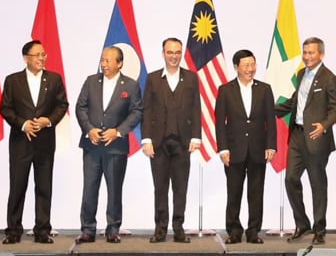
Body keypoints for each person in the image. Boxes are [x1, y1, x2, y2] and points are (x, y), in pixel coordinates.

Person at [0, 40, 69, 244]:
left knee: (44, 187)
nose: (42, 58)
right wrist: (22, 124)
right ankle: (13, 232)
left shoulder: (54, 79)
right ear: (26, 58)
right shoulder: (13, 80)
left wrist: (49, 121)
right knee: (17, 187)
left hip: (45, 143)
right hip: (21, 142)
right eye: (37, 55)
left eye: (43, 54)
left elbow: (62, 104)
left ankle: (42, 231)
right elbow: (5, 108)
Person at [275, 36, 336, 245]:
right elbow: (296, 103)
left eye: (311, 53)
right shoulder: (302, 73)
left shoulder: (329, 77)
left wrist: (324, 125)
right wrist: (267, 107)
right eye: (305, 52)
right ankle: (302, 223)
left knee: (317, 184)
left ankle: (319, 228)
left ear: (321, 54)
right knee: (290, 179)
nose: (307, 57)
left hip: (316, 136)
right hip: (297, 135)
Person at [74, 46, 143, 244]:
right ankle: (88, 229)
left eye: (108, 60)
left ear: (119, 63)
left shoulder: (130, 85)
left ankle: (113, 229)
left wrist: (118, 131)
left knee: (114, 190)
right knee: (89, 188)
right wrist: (89, 129)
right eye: (102, 60)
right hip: (92, 145)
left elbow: (137, 111)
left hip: (116, 146)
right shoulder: (91, 81)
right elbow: (81, 107)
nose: (103, 64)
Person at [140, 37, 201, 243]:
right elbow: (146, 110)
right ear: (163, 53)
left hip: (183, 142)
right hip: (158, 143)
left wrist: (196, 137)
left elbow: (196, 108)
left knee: (180, 187)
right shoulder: (153, 78)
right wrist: (146, 139)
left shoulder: (191, 78)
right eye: (170, 52)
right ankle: (160, 228)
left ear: (181, 53)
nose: (174, 56)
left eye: (177, 52)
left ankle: (178, 227)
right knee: (160, 188)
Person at [215, 49, 276, 244]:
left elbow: (270, 121)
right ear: (236, 67)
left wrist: (271, 146)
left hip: (258, 149)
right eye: (246, 66)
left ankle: (253, 231)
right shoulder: (225, 90)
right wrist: (223, 149)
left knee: (256, 193)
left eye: (253, 65)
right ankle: (234, 230)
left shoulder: (265, 89)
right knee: (234, 192)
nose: (250, 69)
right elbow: (219, 123)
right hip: (234, 150)